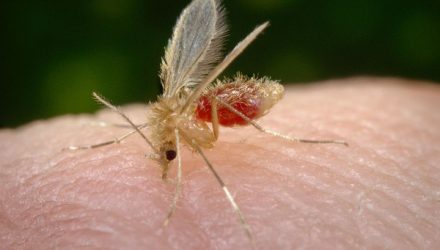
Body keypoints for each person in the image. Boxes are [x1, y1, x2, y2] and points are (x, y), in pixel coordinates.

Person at [1, 77, 439, 249]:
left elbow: (196, 137)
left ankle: (271, 150)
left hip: (233, 103)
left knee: (209, 149)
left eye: (168, 155)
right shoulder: (172, 126)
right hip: (213, 105)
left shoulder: (190, 126)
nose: (169, 157)